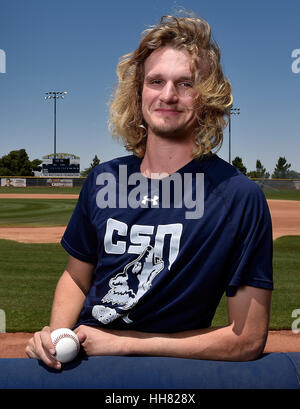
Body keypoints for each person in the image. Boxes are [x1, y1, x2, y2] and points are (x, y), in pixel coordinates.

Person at [25, 14, 273, 370]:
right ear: (139, 93)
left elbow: (247, 339)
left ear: (207, 98)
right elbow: (77, 277)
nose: (168, 95)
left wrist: (124, 344)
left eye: (186, 84)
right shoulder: (103, 179)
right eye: (156, 81)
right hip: (85, 363)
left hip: (171, 371)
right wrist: (57, 336)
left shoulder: (238, 197)